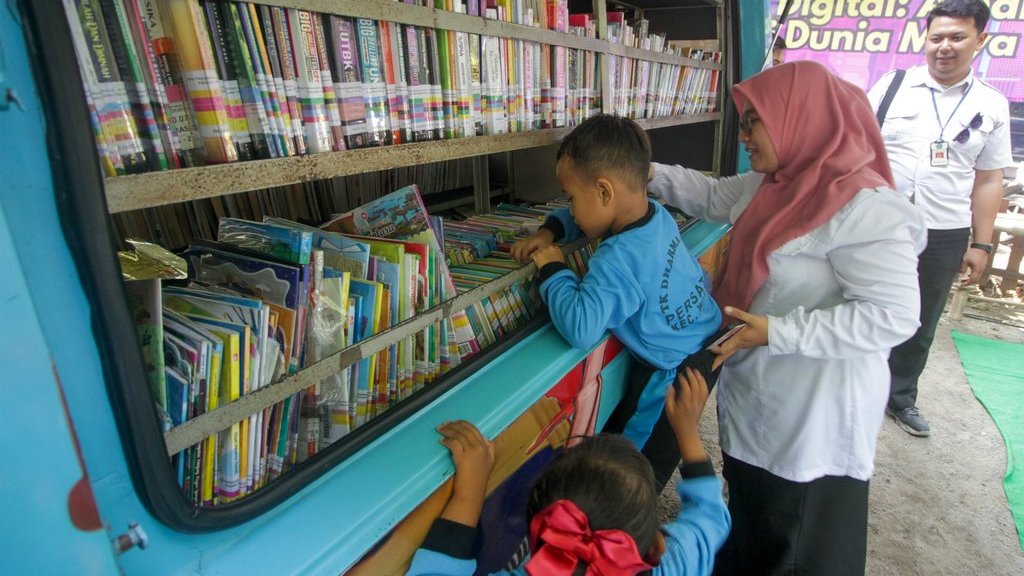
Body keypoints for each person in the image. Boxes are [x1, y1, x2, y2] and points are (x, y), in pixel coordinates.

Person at [646, 61, 927, 575]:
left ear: (803, 117)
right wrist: (641, 171)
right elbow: (709, 195)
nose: (746, 135)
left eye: (756, 121)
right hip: (760, 397)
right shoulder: (770, 185)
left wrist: (777, 331)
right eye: (745, 121)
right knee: (756, 519)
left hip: (813, 413)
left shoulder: (866, 207)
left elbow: (893, 315)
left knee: (797, 540)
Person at [509, 114, 722, 490]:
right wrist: (551, 229)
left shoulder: (617, 258)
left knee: (629, 469)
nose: (570, 209)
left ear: (605, 191)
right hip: (704, 338)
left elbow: (581, 325)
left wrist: (553, 269)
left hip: (671, 375)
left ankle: (624, 532)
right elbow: (594, 218)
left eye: (571, 198)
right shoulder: (654, 214)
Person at [406, 367, 731, 575]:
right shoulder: (676, 566)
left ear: (533, 529)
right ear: (656, 546)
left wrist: (469, 491)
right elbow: (711, 519)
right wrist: (688, 432)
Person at [866, 0, 1013, 437]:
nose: (944, 47)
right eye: (936, 37)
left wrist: (981, 244)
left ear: (980, 39)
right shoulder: (892, 87)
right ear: (925, 39)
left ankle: (900, 397)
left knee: (921, 319)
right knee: (862, 302)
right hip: (879, 223)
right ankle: (851, 384)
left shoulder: (992, 104)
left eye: (957, 37)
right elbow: (857, 149)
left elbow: (989, 180)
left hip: (943, 231)